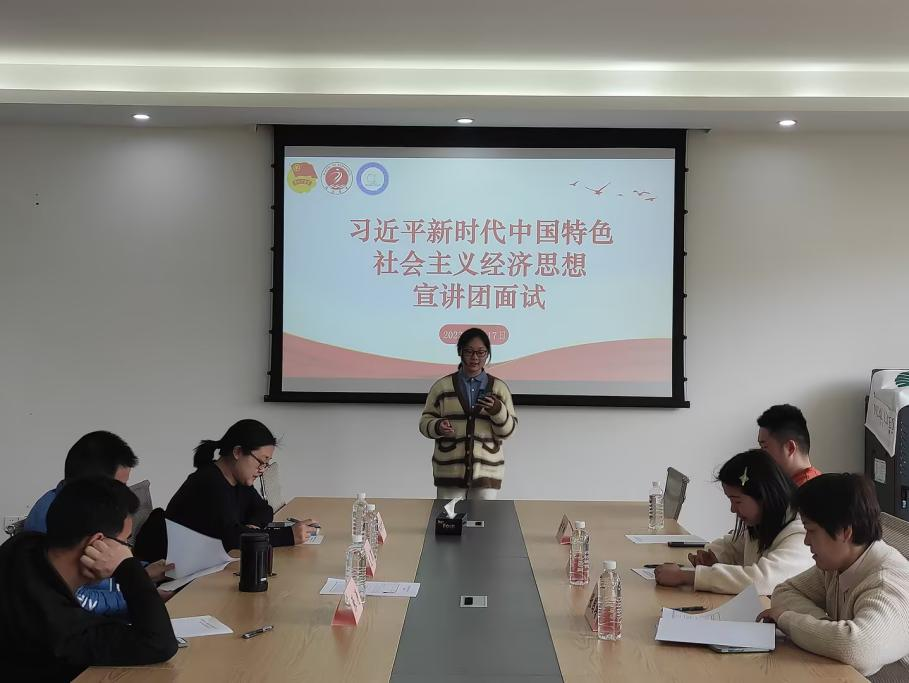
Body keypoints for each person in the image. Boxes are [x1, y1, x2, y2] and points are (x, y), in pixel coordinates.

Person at [0, 477, 178, 680]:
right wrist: (128, 568)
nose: (127, 552)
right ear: (97, 543)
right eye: (125, 544)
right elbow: (159, 644)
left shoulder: (21, 548)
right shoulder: (59, 627)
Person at [758, 474, 909, 676]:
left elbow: (858, 649)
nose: (806, 541)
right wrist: (827, 630)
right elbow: (784, 592)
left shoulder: (887, 583)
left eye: (811, 530)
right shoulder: (838, 564)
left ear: (845, 532)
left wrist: (787, 620)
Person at [23, 430, 171, 616]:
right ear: (93, 484)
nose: (124, 493)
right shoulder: (53, 521)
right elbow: (73, 599)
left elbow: (107, 567)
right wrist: (141, 595)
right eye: (119, 485)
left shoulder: (82, 508)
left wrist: (142, 573)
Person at [655, 449, 814, 594]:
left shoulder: (801, 533)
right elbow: (733, 545)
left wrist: (687, 576)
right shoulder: (764, 523)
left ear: (763, 496)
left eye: (737, 501)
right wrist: (714, 556)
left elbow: (762, 580)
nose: (732, 509)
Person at [166, 419, 318, 551]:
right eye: (261, 462)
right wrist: (288, 535)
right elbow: (231, 538)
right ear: (238, 452)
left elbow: (264, 509)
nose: (262, 470)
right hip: (181, 569)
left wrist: (253, 525)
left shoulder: (239, 481)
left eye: (266, 464)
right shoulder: (208, 482)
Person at [419, 327, 517, 501]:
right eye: (469, 351)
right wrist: (438, 426)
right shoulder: (442, 387)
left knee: (483, 519)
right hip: (449, 472)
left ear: (487, 354)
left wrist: (497, 410)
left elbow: (508, 431)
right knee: (450, 518)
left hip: (486, 473)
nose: (475, 357)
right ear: (460, 352)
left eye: (481, 352)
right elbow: (425, 422)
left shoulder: (499, 388)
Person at [757, 404, 821, 486]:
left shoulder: (806, 489)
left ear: (790, 448)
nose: (760, 454)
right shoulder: (790, 485)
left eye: (764, 447)